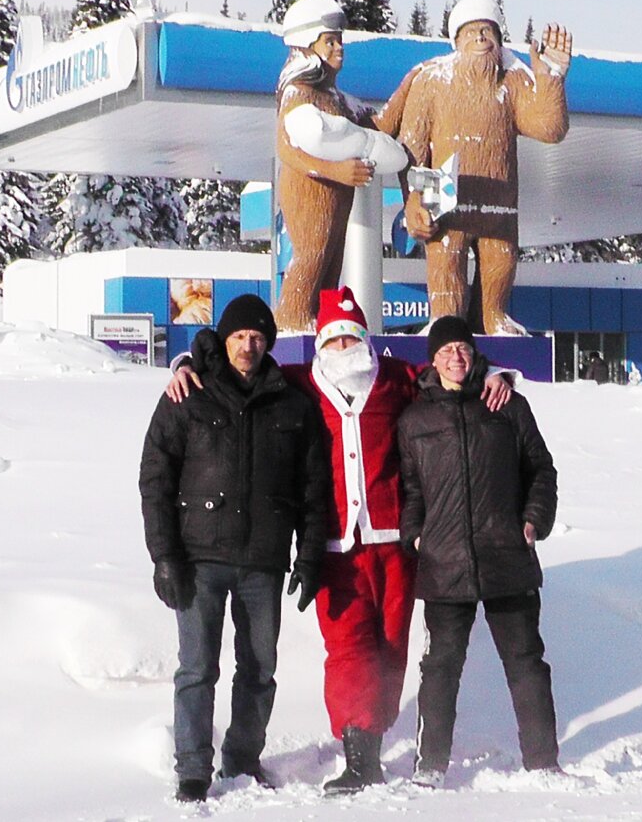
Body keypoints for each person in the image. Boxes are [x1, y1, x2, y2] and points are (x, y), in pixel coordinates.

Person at [165, 287, 514, 794]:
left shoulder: (395, 379)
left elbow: (449, 374)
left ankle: (371, 740)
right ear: (321, 343)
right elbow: (238, 374)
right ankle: (356, 751)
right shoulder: (298, 384)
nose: (344, 345)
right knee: (347, 648)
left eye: (353, 335)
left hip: (395, 540)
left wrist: (498, 375)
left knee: (391, 646)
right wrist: (181, 362)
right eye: (334, 337)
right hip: (332, 546)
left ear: (365, 340)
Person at [139, 294, 329, 803]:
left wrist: (309, 556)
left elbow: (315, 488)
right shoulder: (190, 393)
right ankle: (194, 769)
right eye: (240, 336)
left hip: (263, 562)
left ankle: (242, 759)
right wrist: (164, 556)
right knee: (198, 669)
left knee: (260, 668)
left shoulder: (291, 402)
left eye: (258, 337)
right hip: (198, 559)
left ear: (268, 343)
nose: (248, 345)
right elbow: (155, 478)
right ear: (224, 339)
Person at [397, 316, 560, 788]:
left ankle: (542, 761)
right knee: (440, 669)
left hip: (506, 554)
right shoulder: (415, 419)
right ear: (433, 359)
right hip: (444, 563)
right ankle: (430, 765)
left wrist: (534, 519)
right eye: (446, 350)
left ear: (475, 355)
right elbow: (410, 488)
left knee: (526, 663)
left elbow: (541, 469)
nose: (456, 357)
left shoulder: (506, 404)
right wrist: (416, 536)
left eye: (463, 349)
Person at [399, 0, 572, 333]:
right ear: (456, 39)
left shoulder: (514, 81)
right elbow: (413, 148)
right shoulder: (432, 80)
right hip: (445, 205)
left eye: (487, 30)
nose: (480, 38)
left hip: (499, 210)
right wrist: (413, 199)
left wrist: (551, 76)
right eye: (471, 31)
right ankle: (445, 324)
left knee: (499, 267)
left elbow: (550, 129)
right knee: (447, 269)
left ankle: (494, 317)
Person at [272, 0, 419, 332]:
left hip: (338, 193)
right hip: (309, 188)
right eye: (330, 41)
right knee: (311, 254)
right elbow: (287, 147)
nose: (339, 48)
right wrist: (334, 170)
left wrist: (408, 85)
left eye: (340, 41)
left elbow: (379, 124)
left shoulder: (339, 99)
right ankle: (292, 320)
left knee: (332, 260)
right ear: (307, 46)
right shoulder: (298, 92)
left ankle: (320, 320)